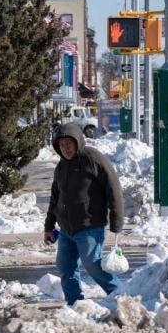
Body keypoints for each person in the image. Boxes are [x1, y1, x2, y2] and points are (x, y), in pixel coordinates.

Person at [43, 123, 124, 305]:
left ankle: (121, 296)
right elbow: (55, 198)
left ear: (77, 141)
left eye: (69, 144)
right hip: (66, 230)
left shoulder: (92, 158)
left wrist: (116, 221)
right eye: (61, 145)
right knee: (66, 267)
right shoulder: (61, 167)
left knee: (94, 266)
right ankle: (75, 304)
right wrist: (49, 227)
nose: (65, 149)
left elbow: (114, 188)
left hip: (89, 227)